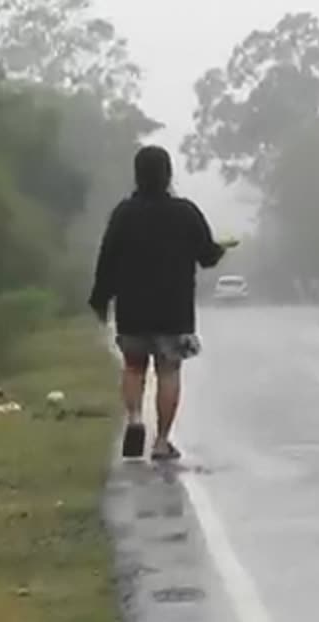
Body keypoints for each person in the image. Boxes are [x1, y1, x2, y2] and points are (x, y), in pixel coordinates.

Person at [88, 145, 233, 460]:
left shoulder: (123, 214)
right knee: (168, 372)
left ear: (137, 174)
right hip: (174, 311)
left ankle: (136, 420)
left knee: (133, 366)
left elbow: (107, 259)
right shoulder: (186, 213)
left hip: (132, 309)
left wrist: (100, 299)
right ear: (168, 174)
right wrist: (219, 250)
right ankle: (162, 441)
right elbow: (206, 257)